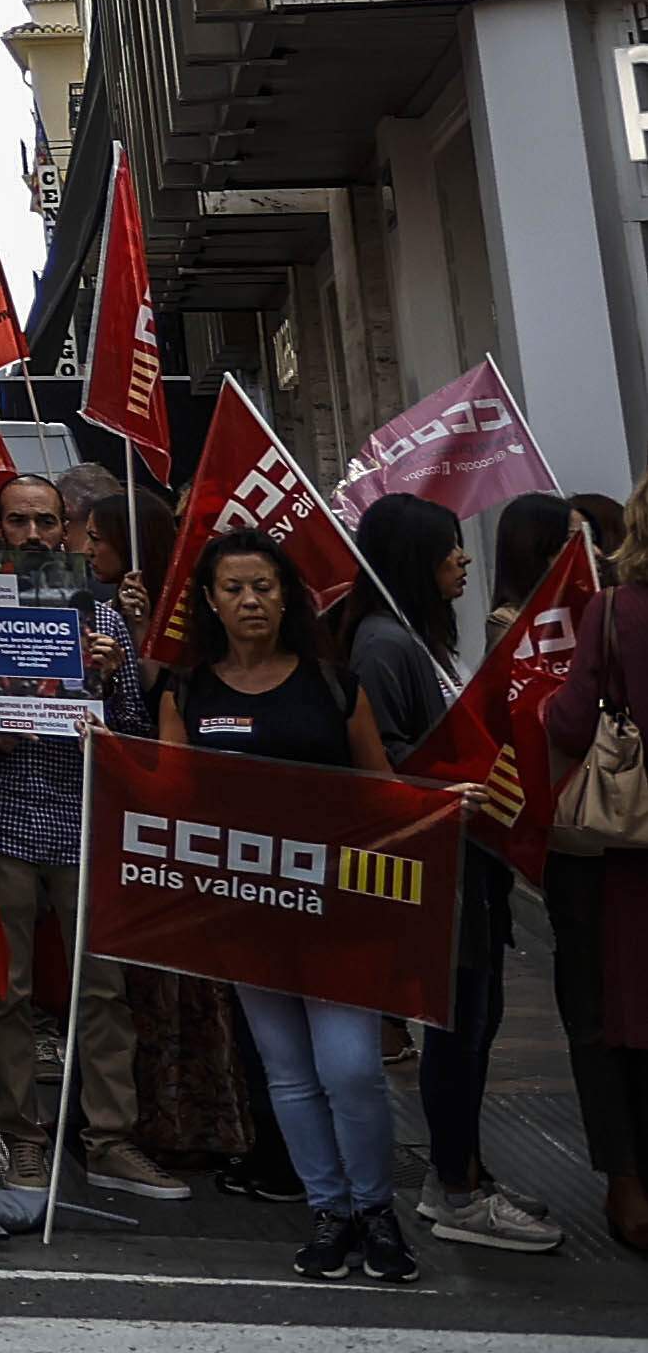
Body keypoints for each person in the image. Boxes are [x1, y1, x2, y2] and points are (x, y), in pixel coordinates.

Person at [162, 530, 412, 1283]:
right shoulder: (186, 693)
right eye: (234, 588)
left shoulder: (335, 685)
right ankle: (329, 1211)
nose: (250, 602)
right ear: (210, 601)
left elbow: (383, 792)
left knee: (353, 1071)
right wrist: (108, 755)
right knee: (289, 1076)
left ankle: (378, 1210)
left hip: (339, 917)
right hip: (247, 914)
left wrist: (442, 807)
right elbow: (168, 801)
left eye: (264, 587)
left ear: (287, 596)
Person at [347, 490, 559, 1253]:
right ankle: (457, 1189)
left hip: (474, 865)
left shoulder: (422, 640)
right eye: (446, 549)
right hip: (439, 874)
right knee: (457, 1028)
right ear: (414, 560)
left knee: (476, 1023)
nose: (463, 558)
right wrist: (450, 792)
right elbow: (384, 761)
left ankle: (461, 1168)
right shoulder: (382, 645)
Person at [0, 467, 172, 1196]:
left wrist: (117, 676)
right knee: (2, 994)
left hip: (82, 823)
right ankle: (21, 1136)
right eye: (17, 522)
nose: (33, 536)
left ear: (67, 529)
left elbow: (139, 738)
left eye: (46, 522)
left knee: (102, 992)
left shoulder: (102, 615)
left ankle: (109, 1139)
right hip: (1, 818)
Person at [542, 481, 648, 1257]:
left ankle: (630, 1185)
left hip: (627, 853)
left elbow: (573, 722)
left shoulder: (612, 614)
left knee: (613, 1016)